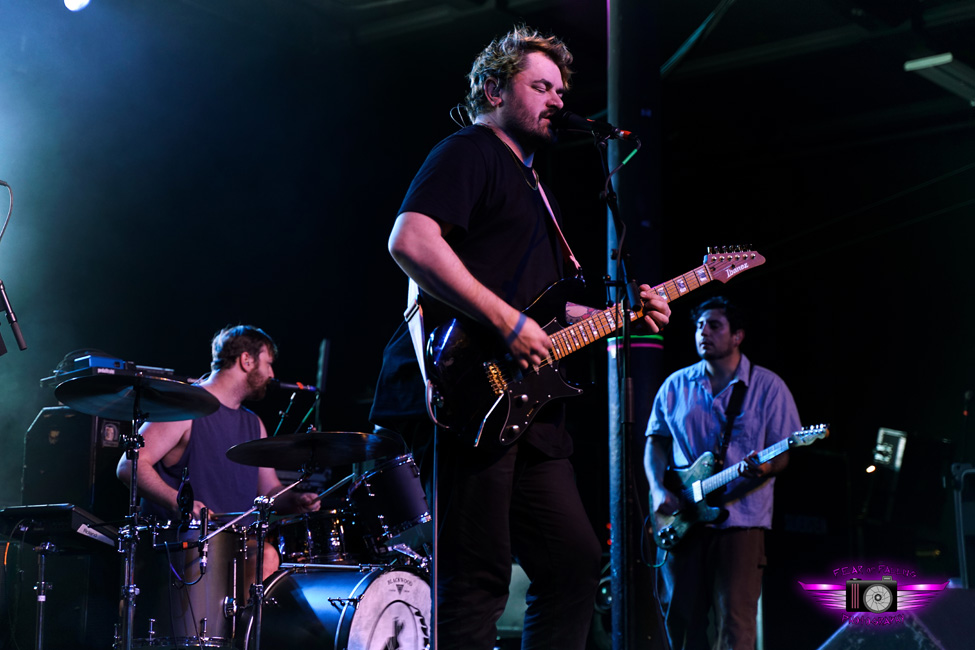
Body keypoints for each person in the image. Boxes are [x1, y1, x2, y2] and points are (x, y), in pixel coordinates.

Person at [373, 25, 671, 649]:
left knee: (573, 562)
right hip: (475, 392)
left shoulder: (535, 183)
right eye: (541, 86)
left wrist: (624, 314)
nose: (558, 100)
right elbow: (410, 241)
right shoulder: (470, 151)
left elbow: (549, 311)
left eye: (561, 90)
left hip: (529, 409)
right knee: (476, 577)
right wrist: (505, 320)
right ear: (493, 90)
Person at [644, 296, 801, 650]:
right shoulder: (675, 386)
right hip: (682, 520)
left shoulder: (768, 387)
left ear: (737, 336)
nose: (703, 333)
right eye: (699, 326)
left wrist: (767, 466)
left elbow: (784, 455)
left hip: (741, 523)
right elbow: (654, 442)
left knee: (735, 622)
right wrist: (656, 488)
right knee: (682, 620)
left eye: (714, 325)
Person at [116, 325, 319, 576]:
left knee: (267, 558)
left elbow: (269, 490)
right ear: (246, 360)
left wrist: (296, 500)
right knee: (266, 556)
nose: (271, 373)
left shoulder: (254, 423)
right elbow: (130, 465)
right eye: (268, 363)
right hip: (183, 551)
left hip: (235, 550)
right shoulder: (185, 407)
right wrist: (180, 504)